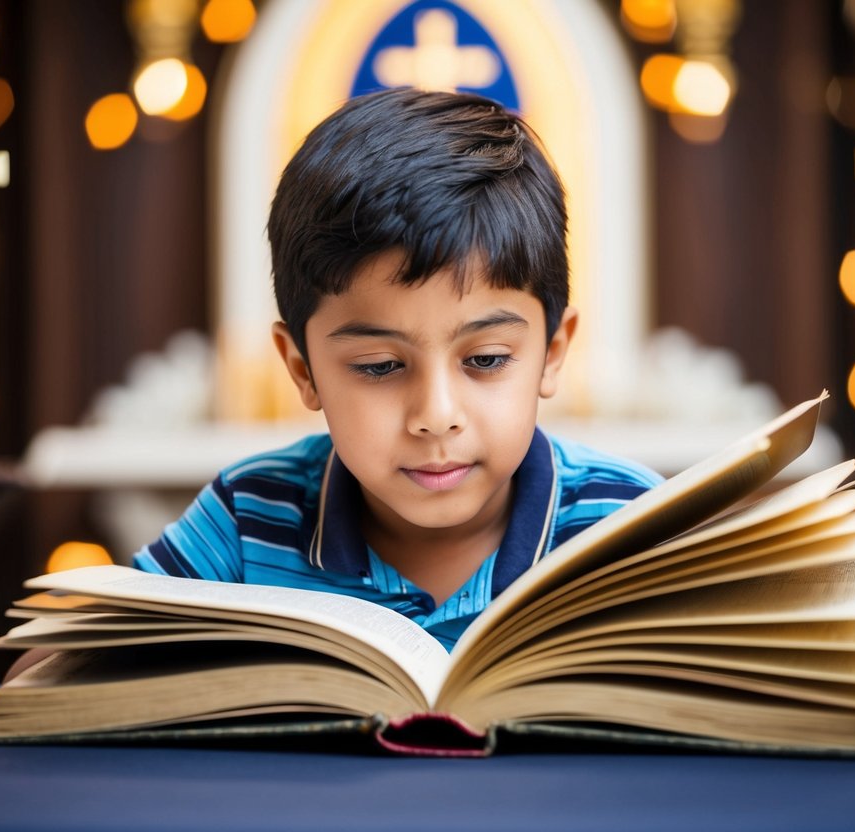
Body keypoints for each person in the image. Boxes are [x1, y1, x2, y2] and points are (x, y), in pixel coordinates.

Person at [132, 88, 662, 650]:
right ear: (303, 369)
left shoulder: (631, 524)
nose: (436, 416)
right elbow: (53, 674)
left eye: (485, 360)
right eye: (380, 366)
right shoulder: (249, 519)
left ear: (552, 353)